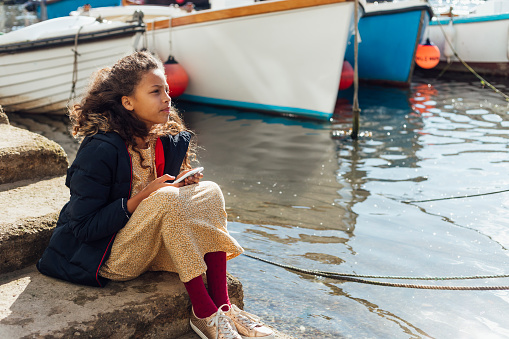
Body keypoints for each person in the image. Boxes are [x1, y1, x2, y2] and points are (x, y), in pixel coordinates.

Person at [36, 51, 274, 339]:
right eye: (155, 91)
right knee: (165, 199)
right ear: (128, 102)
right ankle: (203, 313)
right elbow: (84, 228)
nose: (167, 98)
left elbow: (171, 209)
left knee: (209, 191)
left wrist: (183, 186)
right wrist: (142, 198)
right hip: (109, 255)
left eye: (167, 90)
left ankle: (223, 306)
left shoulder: (165, 138)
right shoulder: (100, 150)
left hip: (150, 245)